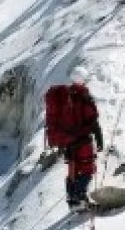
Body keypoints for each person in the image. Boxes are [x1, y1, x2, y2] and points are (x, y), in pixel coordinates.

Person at [44, 75, 104, 211]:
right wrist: (99, 137)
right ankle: (80, 197)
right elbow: (92, 119)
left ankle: (72, 200)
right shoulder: (83, 98)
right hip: (82, 140)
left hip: (67, 141)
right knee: (87, 168)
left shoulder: (65, 99)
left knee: (73, 170)